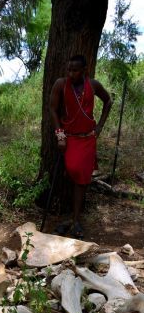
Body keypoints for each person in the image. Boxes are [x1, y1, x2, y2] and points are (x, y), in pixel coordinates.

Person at [50, 54, 112, 239]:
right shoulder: (61, 84)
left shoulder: (93, 85)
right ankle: (68, 217)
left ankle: (76, 220)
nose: (71, 73)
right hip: (69, 139)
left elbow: (108, 101)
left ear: (84, 70)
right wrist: (60, 135)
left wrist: (99, 126)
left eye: (75, 70)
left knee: (82, 180)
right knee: (71, 171)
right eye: (69, 69)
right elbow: (52, 109)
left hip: (87, 140)